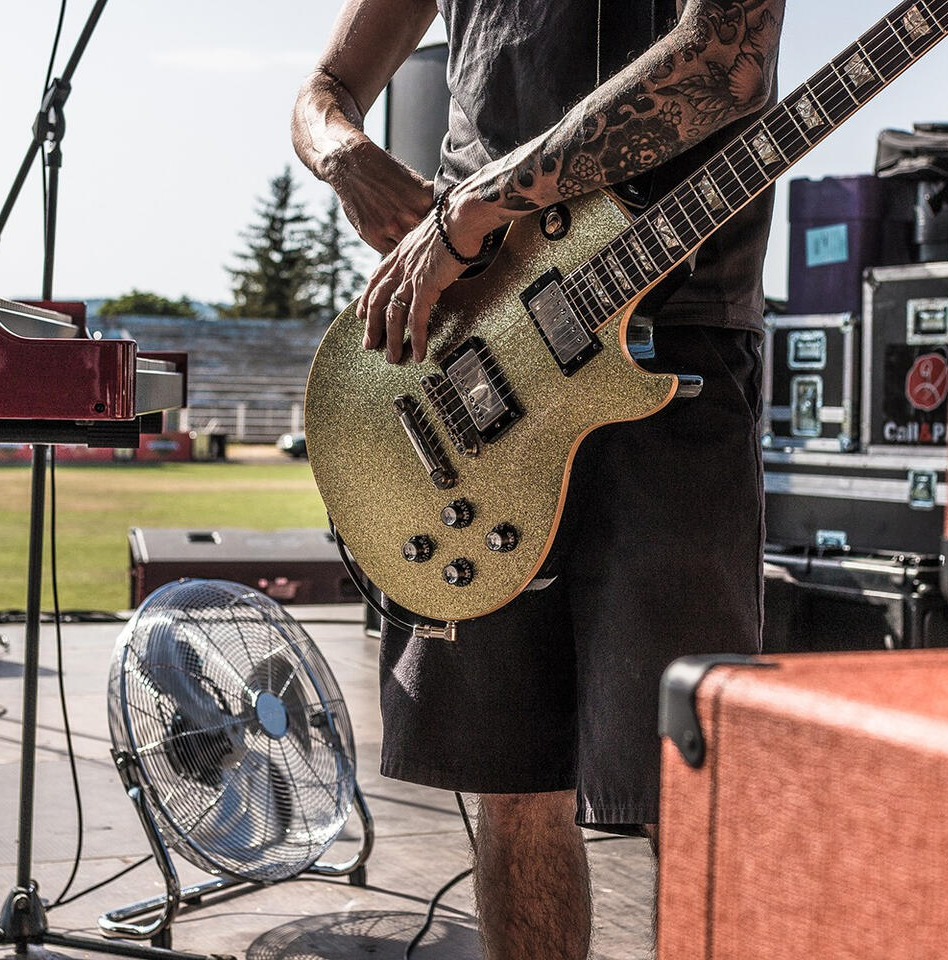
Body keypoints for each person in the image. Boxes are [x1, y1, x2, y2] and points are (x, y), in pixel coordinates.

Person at [292, 1, 784, 956]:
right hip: (478, 343)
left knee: (687, 783)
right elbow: (324, 90)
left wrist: (477, 204)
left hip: (676, 337)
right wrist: (343, 152)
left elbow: (722, 64)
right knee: (515, 786)